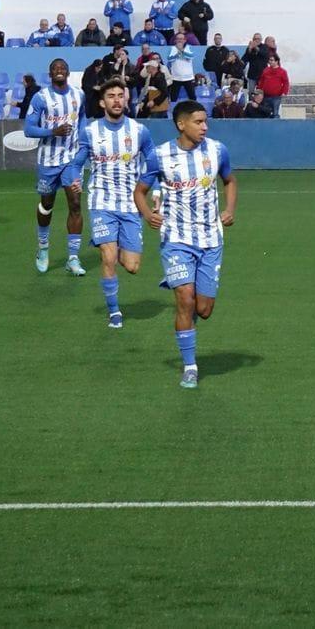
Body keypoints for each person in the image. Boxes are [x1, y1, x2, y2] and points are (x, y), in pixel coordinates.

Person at [132, 101, 237, 387]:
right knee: (184, 298)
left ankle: (188, 326)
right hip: (175, 240)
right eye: (199, 122)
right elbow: (140, 191)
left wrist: (229, 210)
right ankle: (190, 365)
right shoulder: (160, 155)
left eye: (206, 122)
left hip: (211, 240)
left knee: (203, 309)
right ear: (181, 124)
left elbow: (229, 180)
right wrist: (148, 214)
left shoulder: (217, 151)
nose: (205, 127)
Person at [62, 78, 159, 328]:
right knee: (108, 257)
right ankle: (114, 311)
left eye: (120, 95)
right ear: (103, 102)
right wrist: (75, 179)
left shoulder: (139, 131)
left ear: (126, 99)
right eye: (111, 96)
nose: (116, 100)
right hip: (101, 202)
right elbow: (76, 163)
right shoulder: (91, 132)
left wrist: (156, 190)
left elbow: (153, 162)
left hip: (131, 205)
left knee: (132, 266)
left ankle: (112, 247)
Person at [25, 58, 87, 275]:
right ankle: (43, 247)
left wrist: (83, 145)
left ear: (68, 72)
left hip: (70, 160)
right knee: (47, 206)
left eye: (62, 68)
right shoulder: (41, 97)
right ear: (50, 74)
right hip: (48, 161)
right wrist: (52, 131)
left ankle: (73, 258)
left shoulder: (79, 95)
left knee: (76, 203)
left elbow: (82, 120)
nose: (59, 71)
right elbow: (28, 129)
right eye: (55, 69)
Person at [167, 33, 197, 104]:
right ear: (175, 40)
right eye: (178, 39)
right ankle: (173, 112)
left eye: (181, 39)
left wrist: (182, 50)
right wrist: (178, 52)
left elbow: (191, 57)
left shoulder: (188, 47)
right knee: (173, 98)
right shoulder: (172, 48)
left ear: (185, 40)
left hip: (188, 78)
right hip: (176, 78)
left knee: (192, 97)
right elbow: (170, 59)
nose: (179, 40)